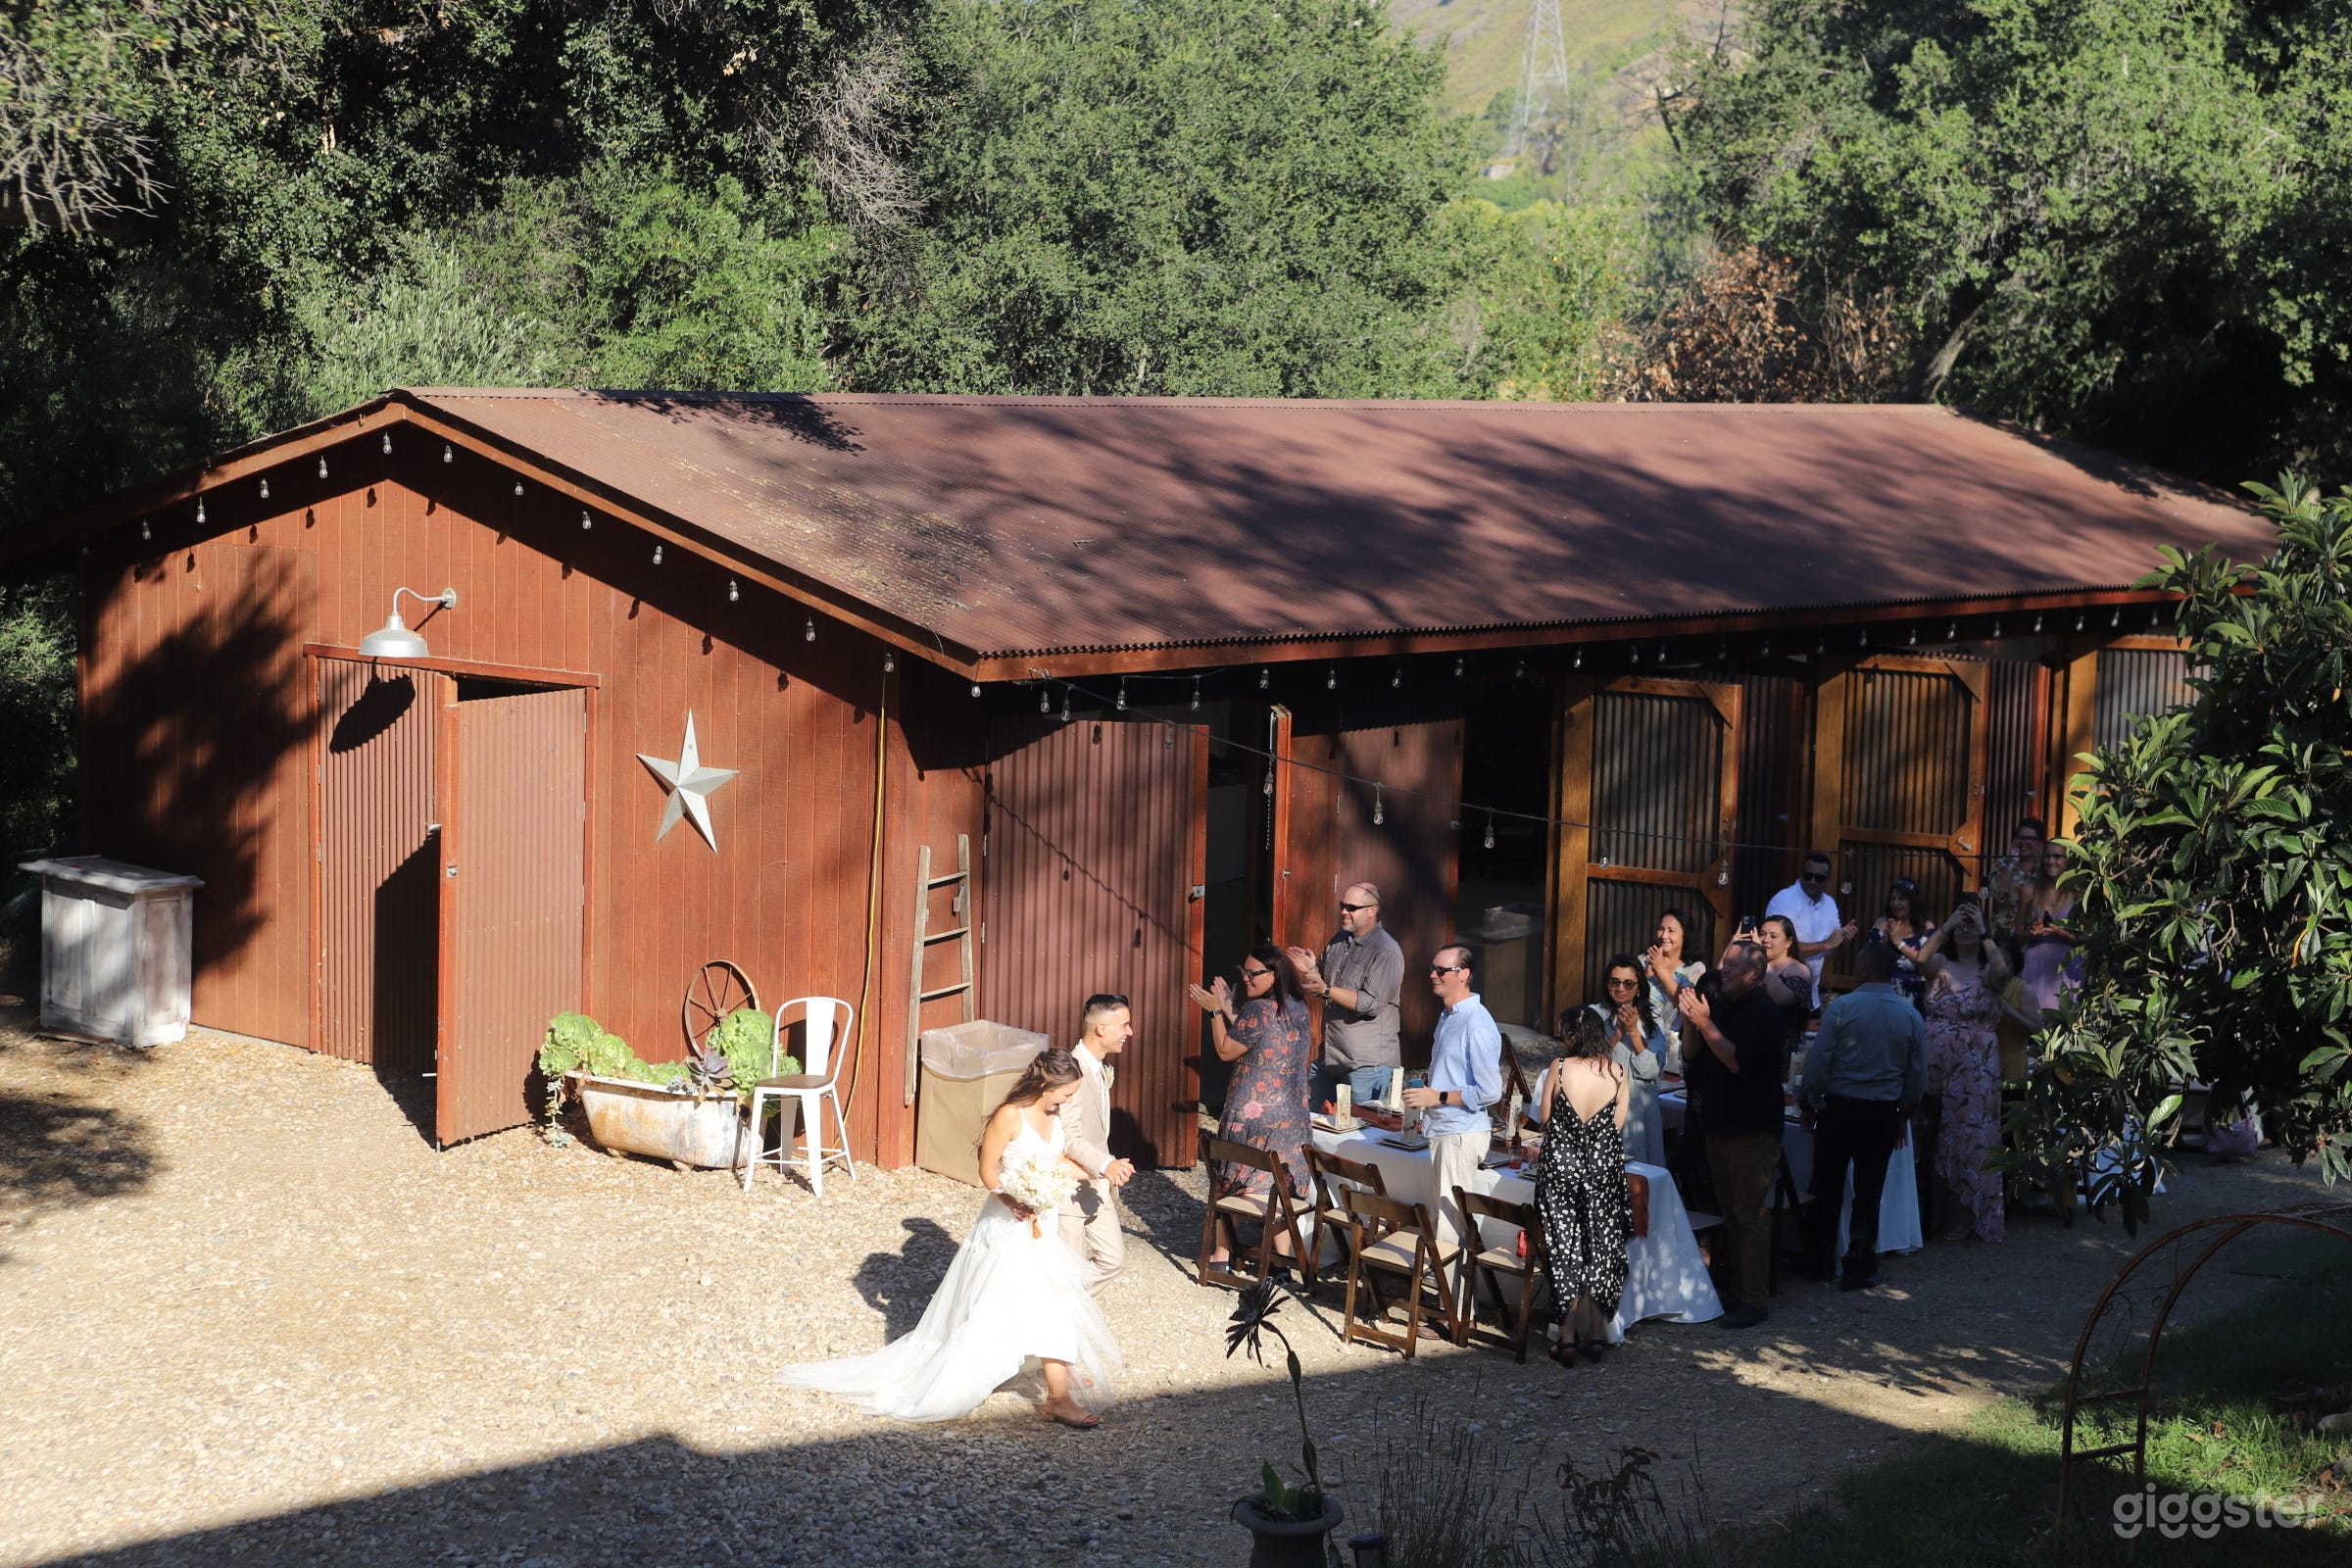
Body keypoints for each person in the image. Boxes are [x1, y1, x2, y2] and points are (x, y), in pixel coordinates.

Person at [782, 1048, 1121, 1426]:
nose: (1068, 1101)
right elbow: (987, 1168)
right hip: (1010, 1221)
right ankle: (1047, 1391)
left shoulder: (1052, 1116)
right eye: (1066, 1093)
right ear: (1046, 1084)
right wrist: (1011, 1199)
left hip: (1044, 1218)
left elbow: (1053, 1159)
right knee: (1005, 1304)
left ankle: (1057, 1388)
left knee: (1050, 1299)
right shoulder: (1010, 1115)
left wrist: (1099, 1172)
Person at [1800, 941, 1926, 1290]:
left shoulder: (1843, 1008)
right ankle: (1860, 1263)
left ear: (1866, 970)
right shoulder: (1909, 1015)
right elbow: (1916, 1076)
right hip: (1883, 1111)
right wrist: (1904, 1114)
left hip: (1840, 1106)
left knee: (1827, 1186)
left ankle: (1821, 1261)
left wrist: (1810, 1102)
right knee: (1869, 1192)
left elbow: (1818, 1063)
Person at [1676, 943, 1788, 1328]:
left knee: (1750, 1214)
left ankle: (1754, 1299)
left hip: (1752, 1129)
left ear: (1755, 975)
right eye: (1724, 965)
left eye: (1732, 967)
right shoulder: (1721, 1005)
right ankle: (1738, 1289)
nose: (1723, 971)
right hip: (1718, 1124)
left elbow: (1736, 1060)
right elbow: (1691, 1056)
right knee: (1730, 1212)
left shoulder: (1765, 1013)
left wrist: (1705, 1023)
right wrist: (1691, 1021)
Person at [1188, 946, 1313, 1268]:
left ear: (1275, 974)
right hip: (1292, 1118)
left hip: (1253, 1116)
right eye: (1244, 971)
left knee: (1235, 1180)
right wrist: (1231, 1008)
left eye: (1254, 973)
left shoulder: (1258, 1009)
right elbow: (1256, 1036)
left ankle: (1221, 1256)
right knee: (1281, 1187)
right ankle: (1282, 1263)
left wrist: (1215, 1011)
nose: (1246, 979)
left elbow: (1227, 1050)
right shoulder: (1298, 1007)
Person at [1528, 1008, 1634, 1366]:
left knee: (1565, 1250)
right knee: (1601, 1248)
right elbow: (1617, 1125)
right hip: (1602, 1172)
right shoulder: (1619, 1073)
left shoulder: (1559, 1068)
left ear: (1572, 1035)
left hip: (1561, 1168)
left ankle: (1568, 1336)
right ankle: (1596, 1335)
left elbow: (1544, 1118)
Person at [1402, 944, 1503, 1257]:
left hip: (1461, 1133)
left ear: (1465, 975)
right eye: (1432, 969)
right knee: (1440, 1219)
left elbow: (1491, 1092)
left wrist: (1438, 1096)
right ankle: (1444, 1297)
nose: (1433, 975)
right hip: (1443, 1128)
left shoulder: (1477, 1022)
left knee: (1449, 1226)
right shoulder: (1448, 1016)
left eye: (1441, 970)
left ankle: (1453, 1303)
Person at [1921, 899, 2006, 1243]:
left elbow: (2003, 976)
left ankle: (1967, 1216)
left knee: (1968, 1140)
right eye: (1962, 926)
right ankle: (1928, 1215)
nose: (1965, 931)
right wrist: (1945, 926)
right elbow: (1920, 960)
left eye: (1971, 925)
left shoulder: (1989, 971)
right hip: (1933, 1063)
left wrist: (1985, 934)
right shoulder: (1940, 962)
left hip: (1974, 1069)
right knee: (1927, 1135)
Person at [1287, 881, 1404, 1113]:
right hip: (1332, 1056)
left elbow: (1371, 1003)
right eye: (1342, 905)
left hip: (1367, 1063)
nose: (1344, 911)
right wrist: (1310, 970)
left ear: (1373, 910)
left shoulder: (1386, 950)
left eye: (1352, 907)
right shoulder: (1340, 939)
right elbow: (1323, 984)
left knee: (1363, 1132)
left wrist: (1326, 990)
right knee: (1319, 1125)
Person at [1060, 994, 1138, 1297]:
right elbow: (1069, 1139)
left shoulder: (1099, 1068)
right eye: (1125, 1025)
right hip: (1071, 1188)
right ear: (1102, 1028)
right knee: (1068, 1270)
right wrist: (1107, 1164)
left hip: (1098, 1186)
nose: (1129, 1032)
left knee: (1113, 1260)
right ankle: (1060, 1324)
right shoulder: (1071, 1070)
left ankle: (1067, 1308)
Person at [1589, 955, 1666, 1166]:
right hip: (1604, 1105)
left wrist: (1633, 1032)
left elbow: (1651, 1070)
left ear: (1639, 987)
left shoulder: (1653, 1020)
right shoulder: (1595, 1015)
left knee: (1641, 1173)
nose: (1620, 988)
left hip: (1640, 1107)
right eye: (1615, 981)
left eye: (1628, 983)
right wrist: (1614, 1037)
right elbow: (1588, 1065)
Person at [1765, 852, 1859, 1007]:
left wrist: (1844, 940)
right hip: (1779, 993)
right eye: (1808, 876)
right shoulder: (1784, 900)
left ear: (1828, 880)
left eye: (1819, 878)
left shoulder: (1829, 904)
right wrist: (1826, 944)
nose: (1813, 881)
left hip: (1811, 997)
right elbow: (1779, 950)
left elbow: (1836, 951)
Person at [1735, 914, 1817, 1051]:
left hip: (1779, 1046)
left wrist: (1760, 958)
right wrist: (1734, 947)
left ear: (1788, 942)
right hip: (1746, 1041)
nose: (1765, 940)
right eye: (1762, 934)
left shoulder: (1798, 969)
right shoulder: (1754, 964)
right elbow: (1721, 982)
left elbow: (1781, 998)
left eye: (1773, 936)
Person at [2021, 843, 2083, 1014]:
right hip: (2034, 964)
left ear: (2068, 861)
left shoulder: (2076, 893)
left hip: (2066, 966)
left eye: (2057, 857)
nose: (2051, 861)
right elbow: (2017, 934)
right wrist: (2033, 933)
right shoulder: (2029, 891)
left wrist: (2061, 932)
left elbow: (2087, 937)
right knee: (2033, 1021)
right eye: (2047, 856)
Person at [1642, 908, 1707, 1072]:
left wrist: (1661, 971)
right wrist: (1644, 976)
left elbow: (1687, 1005)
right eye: (1661, 929)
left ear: (1685, 935)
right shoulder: (1643, 960)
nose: (1664, 935)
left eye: (1671, 931)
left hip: (1675, 1048)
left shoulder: (1695, 968)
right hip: (1642, 1039)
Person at [1873, 878, 1937, 1005]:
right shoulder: (1882, 924)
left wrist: (1898, 943)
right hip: (1885, 996)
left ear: (1913, 902)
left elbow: (1927, 965)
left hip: (1917, 997)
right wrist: (1883, 940)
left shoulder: (1926, 928)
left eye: (1902, 899)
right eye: (1893, 899)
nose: (1896, 903)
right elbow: (1869, 961)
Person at [1981, 816, 2046, 942]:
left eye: (2030, 839)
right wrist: (2012, 863)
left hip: (2031, 936)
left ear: (2039, 843)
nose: (2023, 842)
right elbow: (1995, 892)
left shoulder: (2044, 869)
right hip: (2001, 935)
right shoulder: (2003, 863)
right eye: (2020, 837)